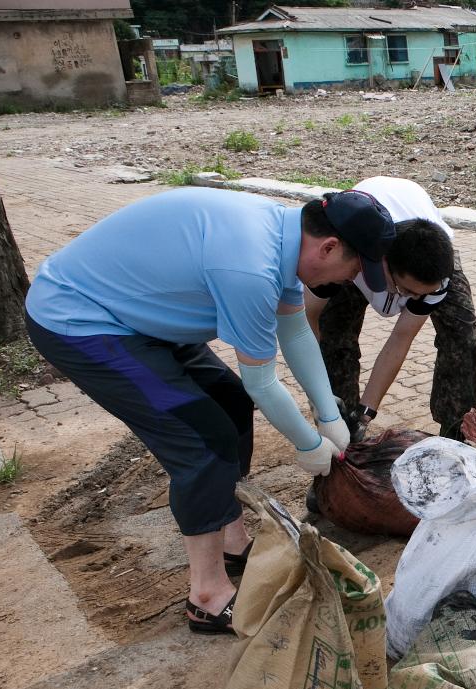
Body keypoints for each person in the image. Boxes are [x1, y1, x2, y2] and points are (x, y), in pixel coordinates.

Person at [24, 187, 395, 634]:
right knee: (201, 442)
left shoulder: (284, 238)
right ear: (329, 246)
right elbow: (264, 381)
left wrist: (328, 413)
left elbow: (295, 333)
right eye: (354, 268)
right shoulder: (249, 268)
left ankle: (232, 541)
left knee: (230, 403)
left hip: (142, 315)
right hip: (83, 321)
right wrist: (309, 444)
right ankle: (207, 595)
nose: (348, 279)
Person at [303, 176, 476, 442]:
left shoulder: (436, 278)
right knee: (334, 341)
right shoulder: (344, 257)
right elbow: (308, 320)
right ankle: (339, 428)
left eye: (420, 295)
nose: (412, 300)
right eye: (407, 292)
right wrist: (319, 393)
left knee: (461, 339)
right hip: (365, 243)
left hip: (422, 243)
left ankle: (456, 434)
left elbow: (401, 338)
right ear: (384, 265)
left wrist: (366, 412)